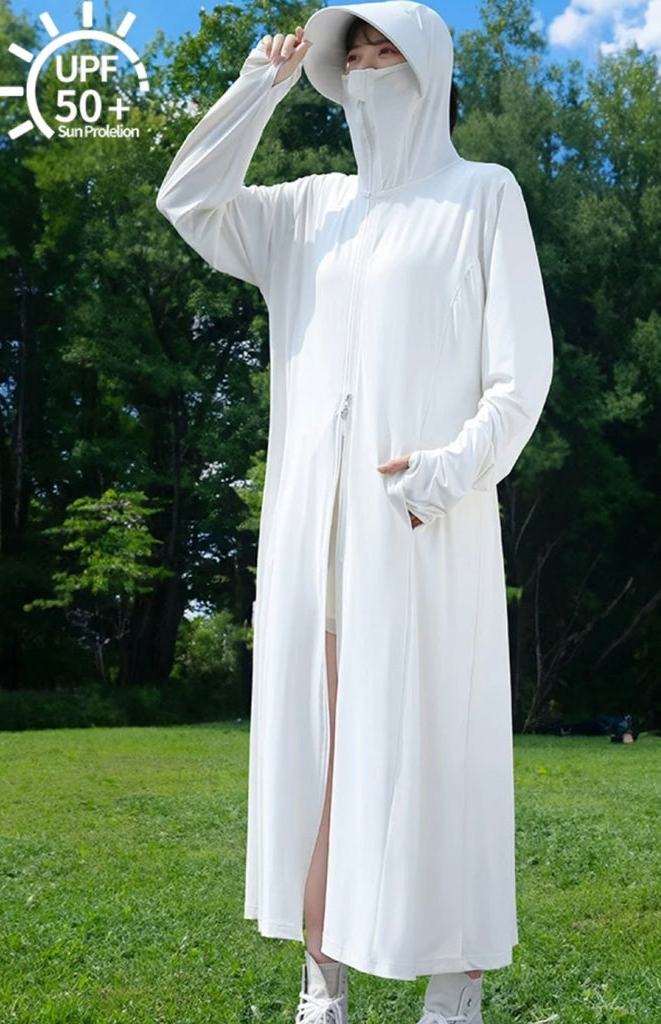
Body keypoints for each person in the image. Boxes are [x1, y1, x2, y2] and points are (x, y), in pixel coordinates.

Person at [156, 3, 554, 1022]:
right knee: (324, 755)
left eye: (389, 50)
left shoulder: (481, 196)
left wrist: (445, 474)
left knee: (440, 749)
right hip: (316, 538)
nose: (369, 65)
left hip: (425, 526)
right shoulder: (308, 211)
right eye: (356, 51)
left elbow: (520, 376)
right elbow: (189, 198)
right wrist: (258, 86)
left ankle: (453, 987)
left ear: (431, 69)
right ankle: (321, 981)